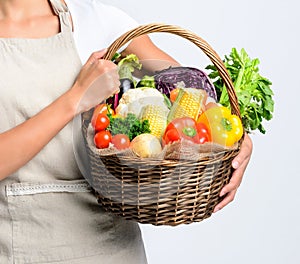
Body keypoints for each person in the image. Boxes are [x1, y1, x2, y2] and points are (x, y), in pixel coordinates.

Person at [0, 0, 253, 263]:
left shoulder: (96, 23)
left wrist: (238, 138)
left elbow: (194, 97)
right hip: (19, 247)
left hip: (110, 248)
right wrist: (75, 99)